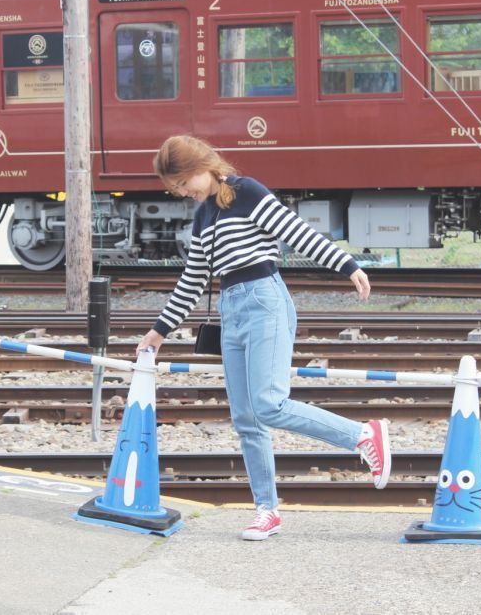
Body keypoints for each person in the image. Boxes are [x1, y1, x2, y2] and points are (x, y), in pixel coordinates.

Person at [137, 135, 391, 541]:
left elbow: (296, 232)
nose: (184, 192)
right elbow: (193, 280)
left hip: (264, 299)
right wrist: (160, 330)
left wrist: (346, 265)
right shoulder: (203, 216)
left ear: (202, 165)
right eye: (177, 188)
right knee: (246, 418)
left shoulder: (247, 191)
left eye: (185, 182)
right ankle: (266, 510)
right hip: (232, 309)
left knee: (269, 403)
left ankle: (361, 435)